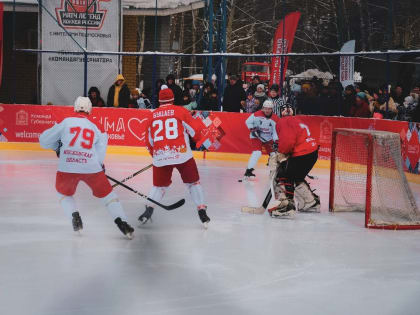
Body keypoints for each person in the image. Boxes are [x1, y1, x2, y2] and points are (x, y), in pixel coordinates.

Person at [39, 97, 134, 239]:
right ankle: (122, 222)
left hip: (67, 167)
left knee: (63, 193)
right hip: (91, 168)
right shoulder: (98, 126)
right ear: (90, 109)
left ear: (75, 107)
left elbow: (44, 141)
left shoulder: (65, 122)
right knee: (108, 195)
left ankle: (74, 215)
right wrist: (99, 166)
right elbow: (100, 152)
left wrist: (57, 148)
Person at [138, 87, 210, 228]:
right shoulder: (181, 111)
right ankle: (202, 210)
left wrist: (156, 155)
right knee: (193, 183)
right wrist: (197, 137)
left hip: (161, 156)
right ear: (172, 99)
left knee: (159, 186)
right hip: (182, 155)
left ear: (159, 100)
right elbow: (195, 131)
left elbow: (148, 141)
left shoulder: (152, 115)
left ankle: (148, 210)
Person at [268, 116, 319, 217]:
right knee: (296, 177)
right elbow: (295, 136)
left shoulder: (283, 121)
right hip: (312, 152)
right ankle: (310, 202)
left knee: (282, 175)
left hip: (301, 154)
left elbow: (287, 142)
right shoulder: (296, 119)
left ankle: (286, 205)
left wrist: (281, 153)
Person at [243, 99, 279, 180]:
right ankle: (249, 170)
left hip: (268, 138)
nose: (267, 110)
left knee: (273, 155)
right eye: (265, 108)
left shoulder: (275, 119)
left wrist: (275, 141)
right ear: (263, 108)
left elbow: (275, 132)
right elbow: (248, 122)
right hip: (256, 136)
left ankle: (274, 171)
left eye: (269, 109)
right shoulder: (256, 114)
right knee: (257, 152)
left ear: (272, 109)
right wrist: (253, 129)